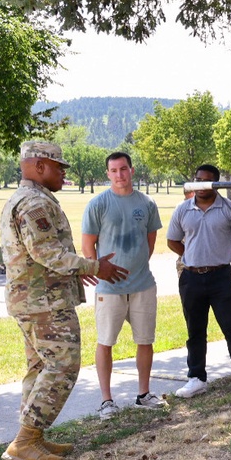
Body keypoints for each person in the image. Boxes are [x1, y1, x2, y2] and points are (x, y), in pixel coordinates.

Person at [1, 141, 128, 460]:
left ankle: (32, 438)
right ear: (39, 165)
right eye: (59, 167)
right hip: (43, 303)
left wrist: (77, 270)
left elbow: (46, 255)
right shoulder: (33, 203)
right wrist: (95, 266)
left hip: (36, 299)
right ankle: (26, 440)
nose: (63, 174)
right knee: (62, 365)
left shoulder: (31, 198)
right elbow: (48, 253)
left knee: (41, 367)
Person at [166, 164, 231, 398]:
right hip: (191, 278)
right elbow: (172, 240)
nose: (200, 185)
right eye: (197, 179)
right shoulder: (183, 210)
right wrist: (191, 255)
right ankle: (196, 377)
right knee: (195, 330)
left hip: (220, 277)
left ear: (215, 183)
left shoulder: (228, 208)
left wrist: (225, 255)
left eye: (205, 181)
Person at [82, 152, 165, 420]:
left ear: (132, 170)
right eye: (114, 170)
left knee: (145, 340)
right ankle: (107, 401)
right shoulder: (98, 204)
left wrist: (136, 266)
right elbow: (87, 246)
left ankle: (144, 394)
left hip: (143, 285)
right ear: (107, 173)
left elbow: (150, 242)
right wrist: (99, 272)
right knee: (105, 342)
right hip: (110, 289)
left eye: (124, 169)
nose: (120, 175)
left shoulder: (147, 203)